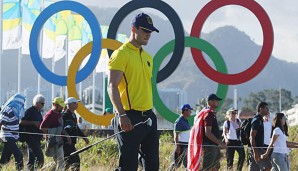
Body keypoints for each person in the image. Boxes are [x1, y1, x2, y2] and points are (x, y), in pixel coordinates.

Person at [108, 12, 159, 171]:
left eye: (150, 31)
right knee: (128, 167)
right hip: (129, 117)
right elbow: (112, 86)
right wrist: (122, 115)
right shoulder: (121, 54)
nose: (147, 35)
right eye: (144, 30)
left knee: (152, 166)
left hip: (149, 117)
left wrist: (151, 113)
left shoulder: (148, 57)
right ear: (133, 29)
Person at [188, 93, 227, 171]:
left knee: (215, 167)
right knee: (207, 168)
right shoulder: (208, 114)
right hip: (210, 146)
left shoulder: (211, 113)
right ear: (210, 102)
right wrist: (220, 142)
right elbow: (207, 132)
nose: (218, 102)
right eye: (216, 101)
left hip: (213, 146)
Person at [40, 97, 71, 171]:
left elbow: (61, 127)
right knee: (60, 162)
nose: (62, 107)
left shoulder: (59, 114)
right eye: (60, 106)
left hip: (59, 141)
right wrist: (53, 131)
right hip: (53, 142)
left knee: (59, 162)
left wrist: (67, 136)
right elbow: (42, 127)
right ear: (55, 105)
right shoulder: (49, 115)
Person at [62, 97, 89, 171]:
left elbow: (76, 128)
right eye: (75, 103)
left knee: (68, 162)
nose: (77, 104)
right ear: (70, 104)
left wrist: (84, 138)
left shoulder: (74, 115)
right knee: (75, 161)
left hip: (72, 142)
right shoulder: (64, 115)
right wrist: (67, 137)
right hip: (66, 143)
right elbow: (61, 129)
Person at [20, 94, 45, 170]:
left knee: (31, 159)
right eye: (42, 103)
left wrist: (42, 134)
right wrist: (33, 122)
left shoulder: (38, 112)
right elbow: (21, 122)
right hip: (31, 138)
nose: (43, 105)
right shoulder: (30, 111)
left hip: (37, 138)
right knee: (40, 157)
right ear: (37, 103)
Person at [0, 93, 25, 170]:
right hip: (7, 136)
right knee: (19, 155)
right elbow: (1, 122)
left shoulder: (16, 111)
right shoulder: (8, 108)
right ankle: (19, 169)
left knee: (5, 158)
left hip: (13, 137)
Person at [169, 104, 192, 171]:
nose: (190, 112)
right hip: (181, 145)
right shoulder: (179, 121)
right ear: (185, 110)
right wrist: (177, 146)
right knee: (176, 164)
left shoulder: (185, 120)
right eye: (189, 110)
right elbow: (176, 134)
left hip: (186, 145)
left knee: (187, 164)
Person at [249, 102, 271, 171]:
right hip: (256, 148)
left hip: (258, 148)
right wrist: (255, 151)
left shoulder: (260, 119)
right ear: (261, 109)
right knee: (268, 166)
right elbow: (252, 137)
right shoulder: (257, 120)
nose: (268, 110)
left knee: (255, 169)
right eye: (266, 108)